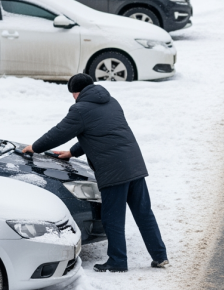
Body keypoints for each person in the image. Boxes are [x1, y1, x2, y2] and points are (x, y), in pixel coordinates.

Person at [21, 74, 168, 273]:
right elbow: (97, 131)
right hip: (134, 165)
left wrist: (35, 147)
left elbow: (59, 132)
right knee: (143, 213)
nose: (73, 98)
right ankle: (160, 257)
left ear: (76, 92)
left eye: (72, 94)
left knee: (112, 217)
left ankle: (117, 261)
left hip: (113, 169)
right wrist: (73, 152)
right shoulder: (111, 101)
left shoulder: (80, 109)